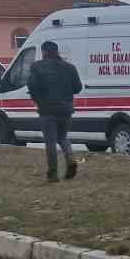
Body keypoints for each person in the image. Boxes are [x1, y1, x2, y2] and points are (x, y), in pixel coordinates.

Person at [26, 40, 82, 183]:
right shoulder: (70, 67)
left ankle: (53, 174)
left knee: (50, 142)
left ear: (44, 52)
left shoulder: (37, 67)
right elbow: (78, 87)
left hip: (47, 110)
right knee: (62, 137)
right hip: (66, 109)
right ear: (56, 52)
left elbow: (31, 85)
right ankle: (70, 159)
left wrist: (38, 101)